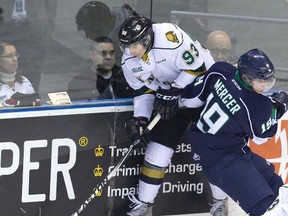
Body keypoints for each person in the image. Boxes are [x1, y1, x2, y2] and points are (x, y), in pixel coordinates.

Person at [118, 14, 227, 216]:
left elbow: (198, 68)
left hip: (203, 90)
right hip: (171, 98)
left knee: (212, 149)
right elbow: (143, 92)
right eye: (125, 46)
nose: (129, 51)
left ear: (147, 39)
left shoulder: (170, 37)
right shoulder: (128, 61)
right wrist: (141, 120)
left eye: (133, 45)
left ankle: (220, 202)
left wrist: (175, 88)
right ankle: (144, 205)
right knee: (157, 151)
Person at [181, 48, 288, 215]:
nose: (266, 86)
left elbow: (190, 100)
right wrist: (277, 109)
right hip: (222, 158)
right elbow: (261, 137)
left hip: (219, 147)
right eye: (262, 81)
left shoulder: (221, 70)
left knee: (275, 184)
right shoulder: (257, 105)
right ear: (247, 77)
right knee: (264, 205)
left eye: (269, 81)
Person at [67, 36, 134, 100]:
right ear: (92, 55)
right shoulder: (80, 83)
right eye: (103, 53)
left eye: (111, 53)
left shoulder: (127, 78)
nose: (108, 57)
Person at [75, 1, 135, 65]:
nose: (87, 36)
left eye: (87, 30)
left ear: (98, 27)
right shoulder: (117, 14)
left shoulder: (125, 39)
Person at [0, 42, 40, 107]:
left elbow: (35, 106)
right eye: (10, 56)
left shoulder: (24, 81)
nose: (15, 59)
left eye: (16, 55)